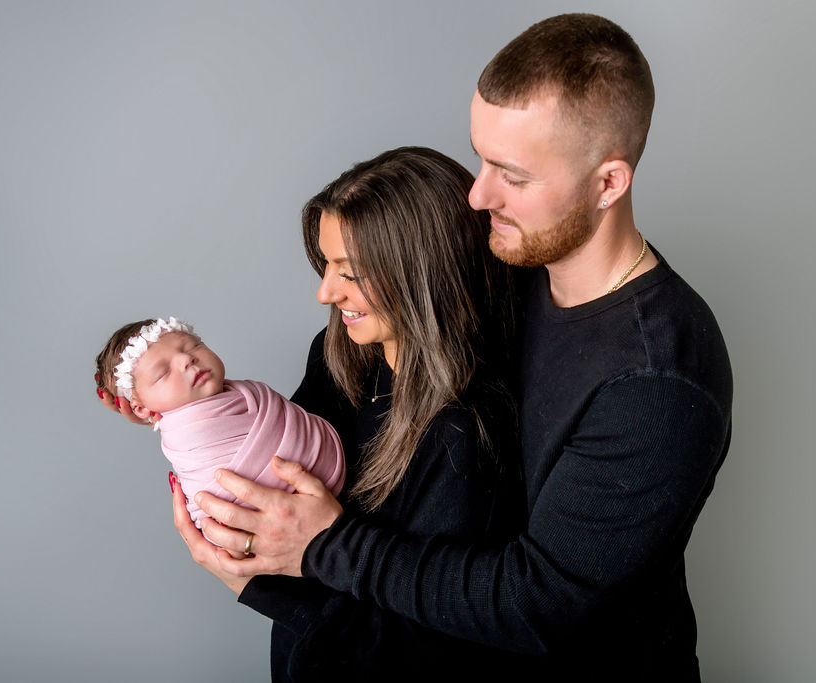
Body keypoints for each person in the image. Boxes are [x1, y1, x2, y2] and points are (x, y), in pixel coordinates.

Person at [179, 13, 734, 681]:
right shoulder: (507, 264)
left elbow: (535, 604)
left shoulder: (657, 380)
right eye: (480, 158)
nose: (478, 194)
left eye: (512, 174)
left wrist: (323, 547)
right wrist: (193, 407)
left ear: (608, 183)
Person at [99, 147, 524, 678]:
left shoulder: (463, 431)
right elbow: (274, 471)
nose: (325, 291)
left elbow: (419, 650)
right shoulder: (340, 353)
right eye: (326, 265)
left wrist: (251, 584)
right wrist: (171, 412)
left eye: (352, 272)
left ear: (423, 271)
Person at [95, 317, 344, 531]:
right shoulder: (185, 439)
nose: (186, 360)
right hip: (271, 526)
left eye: (193, 347)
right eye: (163, 373)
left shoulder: (242, 394)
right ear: (140, 408)